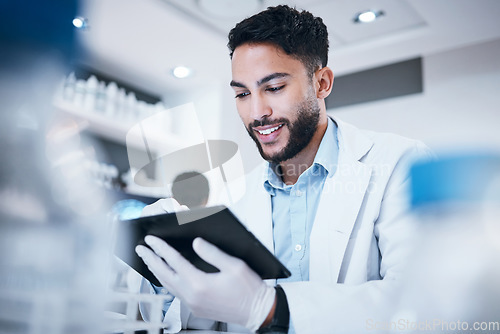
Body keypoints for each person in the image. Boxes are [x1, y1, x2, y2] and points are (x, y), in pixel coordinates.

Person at [135, 5, 432, 334]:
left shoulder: (399, 164)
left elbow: (425, 303)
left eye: (273, 88)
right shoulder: (233, 194)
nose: (257, 112)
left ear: (321, 83)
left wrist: (272, 309)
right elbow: (208, 315)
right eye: (243, 94)